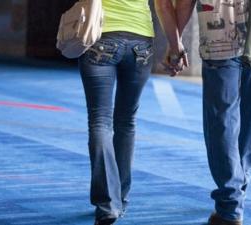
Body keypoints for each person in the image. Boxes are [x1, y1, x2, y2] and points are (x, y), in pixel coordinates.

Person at [156, 0, 251, 224]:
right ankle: (235, 195)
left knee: (221, 121)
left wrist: (175, 44)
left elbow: (183, 2)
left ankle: (231, 204)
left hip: (221, 33)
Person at [78, 0, 156, 224]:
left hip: (100, 33)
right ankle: (120, 199)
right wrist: (175, 42)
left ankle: (107, 204)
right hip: (141, 39)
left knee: (99, 122)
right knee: (127, 121)